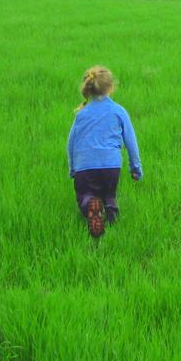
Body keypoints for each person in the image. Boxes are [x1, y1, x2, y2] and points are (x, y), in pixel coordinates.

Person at [66, 66, 143, 238]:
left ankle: (90, 205)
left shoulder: (82, 114)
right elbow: (131, 142)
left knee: (85, 195)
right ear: (111, 87)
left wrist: (72, 168)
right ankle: (111, 218)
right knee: (109, 194)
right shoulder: (119, 111)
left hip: (85, 167)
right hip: (111, 165)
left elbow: (71, 143)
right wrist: (135, 167)